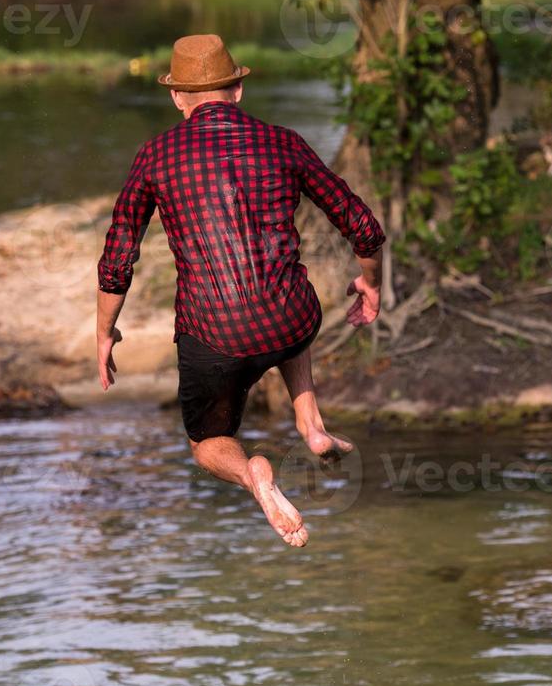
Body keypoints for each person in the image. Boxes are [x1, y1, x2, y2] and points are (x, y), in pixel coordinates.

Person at [95, 34, 385, 547]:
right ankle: (310, 423)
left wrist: (105, 332)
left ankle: (255, 475)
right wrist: (370, 283)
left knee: (207, 443)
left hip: (213, 337)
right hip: (289, 319)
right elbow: (361, 225)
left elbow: (120, 254)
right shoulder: (285, 142)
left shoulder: (155, 156)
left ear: (177, 98)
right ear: (238, 91)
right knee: (290, 303)